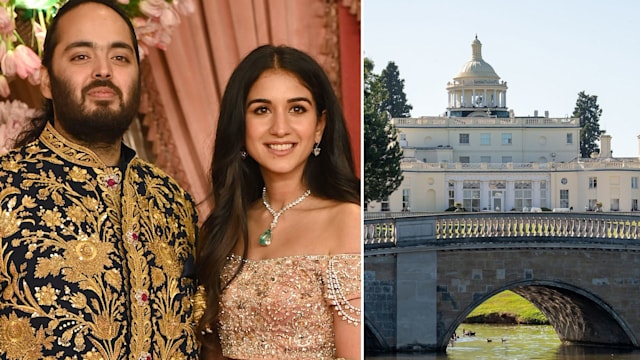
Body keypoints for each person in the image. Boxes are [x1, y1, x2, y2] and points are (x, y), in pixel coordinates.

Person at [0, 0, 198, 358]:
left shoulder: (172, 201)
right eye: (81, 56)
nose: (103, 70)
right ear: (45, 79)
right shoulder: (5, 190)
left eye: (120, 57)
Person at [195, 45, 362, 359]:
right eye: (262, 110)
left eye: (297, 109)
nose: (280, 128)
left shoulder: (345, 220)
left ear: (320, 126)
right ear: (240, 125)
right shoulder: (226, 225)